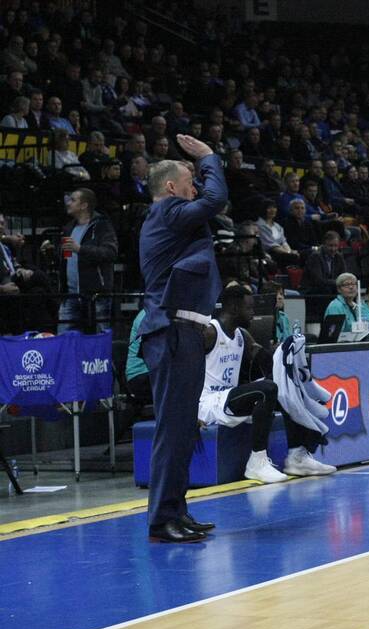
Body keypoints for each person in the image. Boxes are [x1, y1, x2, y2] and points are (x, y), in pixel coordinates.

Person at [137, 135, 227, 544]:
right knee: (171, 430)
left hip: (183, 330)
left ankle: (177, 509)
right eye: (191, 179)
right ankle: (160, 520)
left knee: (182, 428)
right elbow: (214, 201)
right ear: (171, 187)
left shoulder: (174, 218)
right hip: (170, 332)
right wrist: (209, 158)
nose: (197, 186)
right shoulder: (168, 211)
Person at [198, 285, 335, 482]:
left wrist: (285, 355)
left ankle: (297, 455)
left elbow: (267, 361)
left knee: (287, 384)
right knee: (268, 389)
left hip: (228, 399)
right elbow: (182, 373)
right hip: (207, 404)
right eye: (249, 308)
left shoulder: (242, 335)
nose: (253, 313)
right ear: (235, 308)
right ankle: (257, 462)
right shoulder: (210, 333)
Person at [45, 188, 117, 333]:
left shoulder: (102, 226)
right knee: (64, 338)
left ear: (84, 205)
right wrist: (52, 251)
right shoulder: (68, 228)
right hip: (70, 295)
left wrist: (80, 249)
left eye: (73, 200)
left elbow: (110, 253)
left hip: (96, 295)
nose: (68, 203)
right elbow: (66, 257)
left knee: (99, 337)